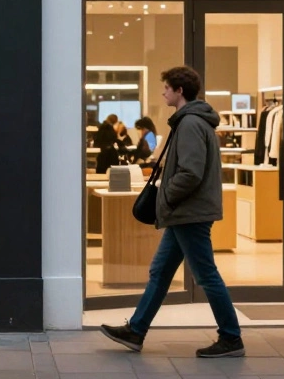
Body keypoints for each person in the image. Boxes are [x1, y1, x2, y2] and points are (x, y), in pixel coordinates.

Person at [101, 66, 244, 358]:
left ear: (180, 91)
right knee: (160, 271)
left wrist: (165, 196)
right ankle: (136, 330)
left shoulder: (191, 123)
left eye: (167, 87)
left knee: (206, 275)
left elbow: (190, 173)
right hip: (185, 213)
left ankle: (231, 337)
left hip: (189, 213)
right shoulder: (191, 121)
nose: (163, 92)